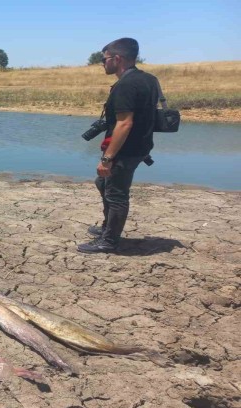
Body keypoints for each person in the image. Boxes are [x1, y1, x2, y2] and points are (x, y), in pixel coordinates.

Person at [78, 38, 159, 254]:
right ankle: (107, 229)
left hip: (126, 149)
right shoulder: (149, 79)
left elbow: (125, 123)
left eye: (104, 59)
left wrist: (108, 158)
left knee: (115, 193)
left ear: (117, 58)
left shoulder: (126, 84)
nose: (102, 64)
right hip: (141, 146)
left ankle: (109, 241)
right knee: (104, 184)